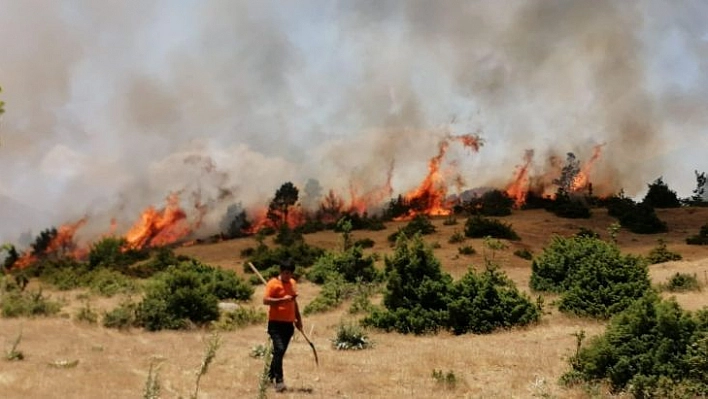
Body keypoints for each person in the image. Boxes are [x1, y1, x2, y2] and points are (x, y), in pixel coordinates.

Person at [263, 260, 302, 393]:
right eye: (285, 273)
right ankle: (279, 381)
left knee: (280, 353)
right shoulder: (273, 284)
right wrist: (281, 300)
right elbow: (265, 300)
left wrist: (298, 319)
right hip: (275, 324)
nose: (288, 276)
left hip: (288, 324)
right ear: (281, 271)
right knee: (279, 350)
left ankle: (269, 376)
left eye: (290, 273)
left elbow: (294, 302)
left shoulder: (292, 283)